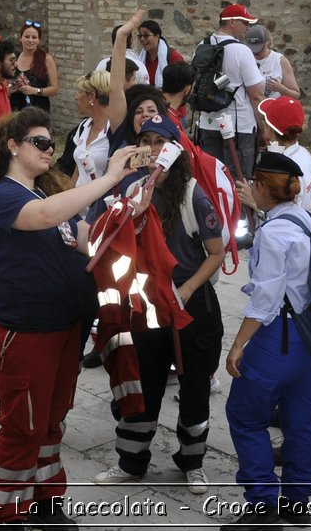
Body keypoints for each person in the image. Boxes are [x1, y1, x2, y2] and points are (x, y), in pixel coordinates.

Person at [0, 108, 136, 526]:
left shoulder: (43, 195)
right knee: (23, 424)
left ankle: (45, 500)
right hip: (26, 332)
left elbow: (86, 239)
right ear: (13, 147)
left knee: (51, 419)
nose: (49, 151)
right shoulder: (4, 195)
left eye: (51, 144)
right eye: (40, 143)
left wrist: (128, 208)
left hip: (64, 327)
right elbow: (46, 220)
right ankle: (6, 511)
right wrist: (110, 178)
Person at [94, 115, 225, 496]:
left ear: (173, 148)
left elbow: (215, 253)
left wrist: (185, 291)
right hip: (148, 305)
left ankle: (192, 462)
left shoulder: (192, 194)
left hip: (190, 304)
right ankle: (130, 461)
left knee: (195, 385)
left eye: (158, 141)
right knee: (143, 381)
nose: (150, 148)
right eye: (144, 141)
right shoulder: (134, 188)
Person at [221, 151, 311, 529]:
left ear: (263, 186)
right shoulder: (310, 221)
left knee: (245, 416)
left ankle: (262, 504)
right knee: (302, 420)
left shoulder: (273, 233)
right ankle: (298, 502)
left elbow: (264, 299)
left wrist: (238, 345)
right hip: (310, 336)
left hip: (278, 337)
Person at [194, 4, 266, 182]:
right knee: (238, 182)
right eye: (245, 23)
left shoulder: (202, 45)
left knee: (212, 180)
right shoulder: (242, 51)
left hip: (207, 124)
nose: (248, 28)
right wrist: (263, 129)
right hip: (238, 126)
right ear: (232, 22)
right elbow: (256, 96)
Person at [58, 71, 114, 185]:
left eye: (79, 92)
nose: (76, 97)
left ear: (92, 97)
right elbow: (78, 171)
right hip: (80, 199)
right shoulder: (83, 127)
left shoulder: (114, 131)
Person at [11, 20, 58, 112]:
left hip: (39, 110)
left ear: (39, 40)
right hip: (16, 110)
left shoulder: (46, 59)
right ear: (20, 38)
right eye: (27, 37)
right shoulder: (14, 58)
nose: (30, 40)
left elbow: (54, 89)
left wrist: (35, 91)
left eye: (34, 37)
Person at [247, 24, 300, 102]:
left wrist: (280, 89)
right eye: (253, 49)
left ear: (268, 42)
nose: (256, 53)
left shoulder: (279, 60)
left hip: (274, 110)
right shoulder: (245, 59)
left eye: (260, 48)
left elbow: (296, 95)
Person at [133, 20, 183, 89]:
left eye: (146, 35)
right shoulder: (141, 59)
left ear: (157, 36)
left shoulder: (173, 56)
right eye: (140, 36)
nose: (142, 39)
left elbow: (182, 83)